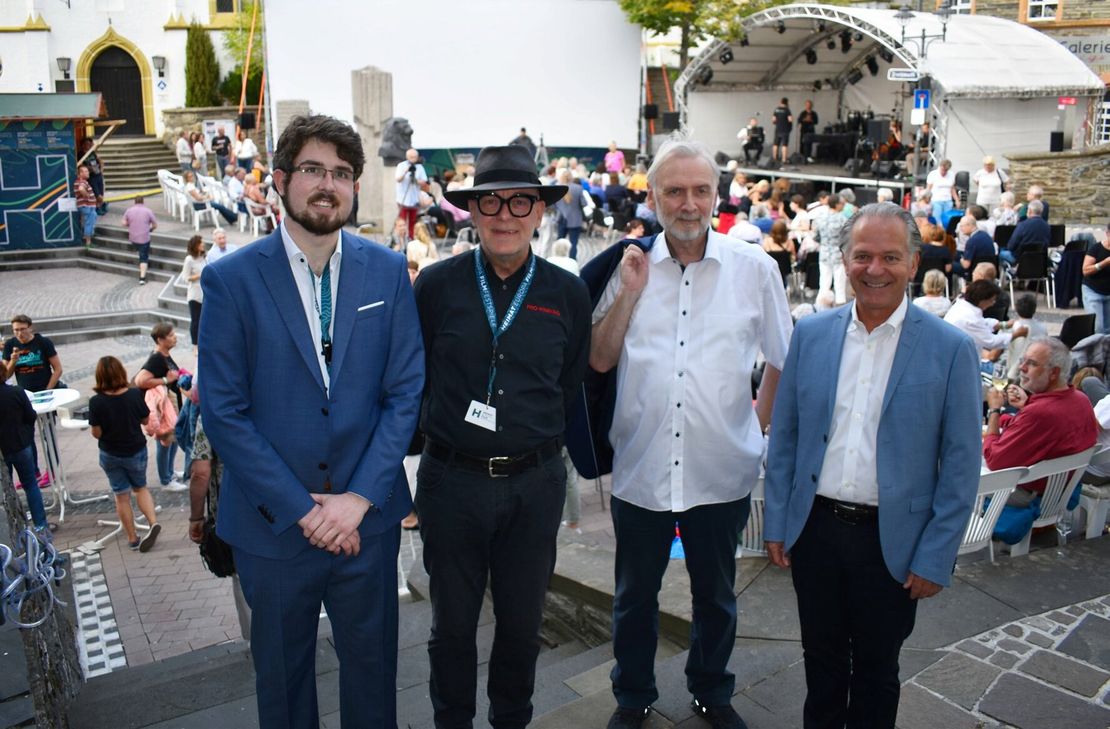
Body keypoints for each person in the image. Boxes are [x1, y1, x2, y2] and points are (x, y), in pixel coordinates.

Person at [198, 114, 423, 729]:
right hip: (272, 530)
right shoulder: (229, 280)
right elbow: (224, 410)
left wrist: (355, 502)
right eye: (313, 170)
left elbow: (404, 395)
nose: (329, 184)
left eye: (342, 173)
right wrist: (305, 511)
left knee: (375, 675)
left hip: (366, 525)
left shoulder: (386, 272)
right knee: (283, 683)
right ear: (279, 179)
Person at [591, 137, 792, 729]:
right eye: (673, 191)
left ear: (716, 196)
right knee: (633, 599)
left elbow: (783, 356)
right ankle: (632, 696)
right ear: (651, 197)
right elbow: (600, 360)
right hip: (642, 464)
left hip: (719, 464)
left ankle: (711, 688)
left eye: (700, 190)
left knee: (717, 597)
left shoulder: (755, 269)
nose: (687, 202)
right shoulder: (627, 266)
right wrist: (628, 295)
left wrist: (757, 423)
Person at [764, 202, 982, 729]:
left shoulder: (950, 349)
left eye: (890, 256)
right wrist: (777, 522)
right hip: (814, 532)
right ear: (844, 259)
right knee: (821, 663)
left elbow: (960, 464)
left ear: (912, 262)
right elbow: (787, 437)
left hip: (894, 541)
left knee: (878, 672)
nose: (875, 269)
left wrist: (936, 555)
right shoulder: (812, 334)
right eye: (863, 256)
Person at [414, 144, 591, 729]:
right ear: (471, 211)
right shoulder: (436, 286)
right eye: (490, 200)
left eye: (521, 200)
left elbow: (567, 387)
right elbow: (414, 382)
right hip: (451, 482)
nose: (505, 213)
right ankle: (452, 722)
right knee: (453, 627)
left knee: (521, 624)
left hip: (534, 485)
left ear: (540, 211)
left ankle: (511, 719)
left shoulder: (567, 293)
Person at [984, 338, 1098, 508]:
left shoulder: (1040, 413)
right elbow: (1042, 429)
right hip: (1060, 494)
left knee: (950, 470)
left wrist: (994, 410)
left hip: (1027, 497)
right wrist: (1028, 405)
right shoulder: (1081, 400)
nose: (1022, 368)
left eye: (1032, 364)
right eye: (1023, 361)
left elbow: (994, 460)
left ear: (1054, 373)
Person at [88, 356, 162, 552]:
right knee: (141, 488)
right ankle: (153, 522)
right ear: (121, 372)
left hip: (110, 453)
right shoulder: (134, 395)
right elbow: (146, 420)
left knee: (121, 496)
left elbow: (96, 433)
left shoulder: (96, 402)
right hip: (135, 450)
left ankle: (131, 537)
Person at [134, 323, 187, 491]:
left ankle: (170, 472)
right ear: (160, 340)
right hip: (165, 407)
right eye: (171, 335)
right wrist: (166, 381)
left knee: (173, 439)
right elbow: (140, 380)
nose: (175, 337)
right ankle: (165, 479)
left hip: (172, 404)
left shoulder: (165, 355)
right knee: (164, 441)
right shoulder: (156, 358)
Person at [0, 380, 49, 534]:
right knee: (30, 485)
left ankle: (14, 529)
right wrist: (26, 434)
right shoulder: (16, 392)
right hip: (21, 443)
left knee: (6, 492)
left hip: (3, 450)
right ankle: (41, 525)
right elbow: (30, 415)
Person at [944, 280, 1027, 362]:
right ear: (982, 300)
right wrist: (1016, 334)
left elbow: (982, 324)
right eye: (992, 300)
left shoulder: (963, 306)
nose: (993, 303)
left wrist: (1003, 325)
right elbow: (991, 341)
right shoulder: (970, 317)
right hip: (959, 359)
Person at [3, 315, 63, 393]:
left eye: (23, 329)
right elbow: (5, 376)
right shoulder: (10, 345)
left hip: (46, 388)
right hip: (26, 392)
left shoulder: (43, 342)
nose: (20, 333)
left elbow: (58, 369)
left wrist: (48, 390)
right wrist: (13, 361)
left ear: (30, 328)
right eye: (16, 330)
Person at [813, 193, 848, 305]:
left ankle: (821, 304)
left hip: (824, 251)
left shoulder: (820, 218)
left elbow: (816, 236)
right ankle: (840, 303)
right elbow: (847, 237)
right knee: (839, 281)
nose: (843, 206)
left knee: (824, 280)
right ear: (837, 205)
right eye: (842, 204)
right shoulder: (843, 219)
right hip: (838, 252)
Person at [1006, 293, 1047, 381]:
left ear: (1016, 309)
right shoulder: (1042, 327)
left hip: (1014, 370)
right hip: (1035, 367)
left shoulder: (1015, 326)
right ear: (1034, 309)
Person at [1001, 199, 1049, 266]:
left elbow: (1011, 246)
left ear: (1029, 211)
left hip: (1019, 258)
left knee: (1001, 252)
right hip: (1039, 257)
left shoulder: (1023, 225)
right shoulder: (1047, 226)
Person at [122, 195, 157, 285]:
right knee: (143, 258)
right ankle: (142, 278)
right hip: (144, 238)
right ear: (143, 202)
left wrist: (131, 225)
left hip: (133, 237)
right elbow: (155, 225)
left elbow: (123, 223)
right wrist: (150, 229)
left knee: (140, 252)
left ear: (135, 202)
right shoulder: (148, 211)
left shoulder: (129, 210)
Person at [1082, 222, 1110, 334]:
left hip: (1108, 292)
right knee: (1097, 328)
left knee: (1108, 330)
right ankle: (1095, 351)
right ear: (1107, 233)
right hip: (1093, 291)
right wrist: (1104, 263)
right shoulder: (1096, 249)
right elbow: (1085, 270)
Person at [395, 148, 428, 240]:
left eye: (415, 157)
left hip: (414, 199)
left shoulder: (420, 167)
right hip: (403, 199)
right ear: (407, 157)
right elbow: (398, 179)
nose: (413, 159)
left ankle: (411, 239)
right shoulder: (401, 166)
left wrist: (416, 180)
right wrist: (406, 171)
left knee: (413, 222)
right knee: (402, 222)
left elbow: (424, 182)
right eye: (411, 157)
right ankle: (401, 240)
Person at [555, 168, 587, 259]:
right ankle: (572, 262)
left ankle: (557, 260)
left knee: (560, 241)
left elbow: (554, 205)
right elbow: (584, 203)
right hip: (575, 219)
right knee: (573, 243)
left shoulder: (558, 188)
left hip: (561, 218)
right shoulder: (578, 188)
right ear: (571, 178)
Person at [181, 235, 207, 349]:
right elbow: (185, 277)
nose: (203, 245)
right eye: (201, 243)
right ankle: (195, 345)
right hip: (195, 294)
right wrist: (199, 275)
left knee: (205, 320)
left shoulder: (204, 258)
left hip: (204, 293)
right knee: (196, 320)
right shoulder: (189, 259)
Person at [925, 158, 958, 224]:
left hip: (948, 200)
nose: (944, 172)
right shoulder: (933, 174)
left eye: (946, 170)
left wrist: (957, 199)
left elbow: (952, 189)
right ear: (940, 167)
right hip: (936, 200)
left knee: (947, 220)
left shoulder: (951, 174)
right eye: (942, 170)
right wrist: (926, 200)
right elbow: (928, 189)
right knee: (937, 220)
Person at [80, 138, 107, 214]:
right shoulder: (80, 154)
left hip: (98, 174)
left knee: (101, 193)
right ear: (83, 145)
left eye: (89, 144)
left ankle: (100, 207)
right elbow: (81, 165)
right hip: (91, 177)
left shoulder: (92, 153)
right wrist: (88, 169)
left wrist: (101, 169)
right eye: (86, 144)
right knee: (97, 194)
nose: (88, 146)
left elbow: (100, 161)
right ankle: (100, 206)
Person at [74, 164, 98, 248]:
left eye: (88, 171)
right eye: (86, 171)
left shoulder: (79, 181)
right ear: (80, 173)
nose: (88, 173)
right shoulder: (82, 181)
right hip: (87, 206)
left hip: (87, 206)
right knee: (89, 223)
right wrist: (87, 195)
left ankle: (88, 237)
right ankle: (88, 243)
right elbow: (81, 189)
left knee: (90, 221)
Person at [771, 97, 793, 167]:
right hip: (785, 129)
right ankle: (784, 159)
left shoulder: (776, 109)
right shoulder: (787, 110)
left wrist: (777, 123)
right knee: (784, 145)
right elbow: (790, 120)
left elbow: (773, 120)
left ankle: (774, 158)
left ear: (781, 102)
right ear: (787, 102)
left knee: (776, 144)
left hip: (778, 129)